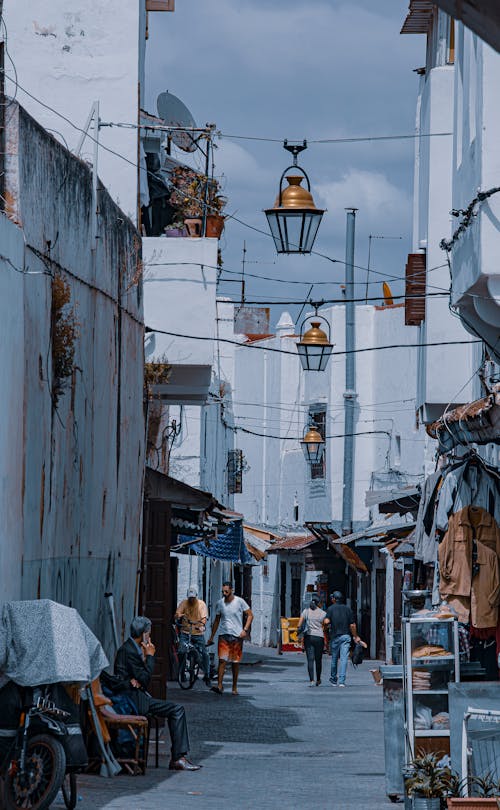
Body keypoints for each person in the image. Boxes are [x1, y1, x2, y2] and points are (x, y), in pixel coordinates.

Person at [114, 616, 201, 771]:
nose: (150, 636)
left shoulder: (131, 648)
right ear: (144, 634)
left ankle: (178, 757)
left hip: (136, 696)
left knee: (175, 709)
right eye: (149, 633)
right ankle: (178, 758)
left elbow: (139, 679)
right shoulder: (130, 651)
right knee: (177, 710)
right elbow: (145, 679)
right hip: (134, 700)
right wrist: (150, 657)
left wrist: (139, 676)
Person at [207, 581, 253, 696]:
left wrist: (245, 630)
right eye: (223, 591)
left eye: (226, 591)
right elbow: (217, 620)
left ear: (231, 590)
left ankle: (234, 686)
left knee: (235, 662)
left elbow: (250, 615)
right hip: (223, 634)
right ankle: (219, 685)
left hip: (237, 636)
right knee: (222, 660)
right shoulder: (220, 603)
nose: (224, 593)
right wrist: (212, 636)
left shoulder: (239, 601)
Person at [174, 586, 211, 687]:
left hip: (198, 633)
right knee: (181, 651)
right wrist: (179, 615)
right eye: (190, 598)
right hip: (185, 632)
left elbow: (204, 618)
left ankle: (207, 675)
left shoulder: (201, 604)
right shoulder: (184, 603)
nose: (191, 599)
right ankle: (181, 672)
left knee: (205, 654)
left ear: (196, 597)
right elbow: (176, 614)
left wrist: (202, 625)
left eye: (193, 598)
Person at [323, 591, 361, 687]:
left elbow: (326, 621)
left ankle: (333, 679)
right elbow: (352, 625)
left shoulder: (330, 609)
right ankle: (342, 681)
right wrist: (355, 636)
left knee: (334, 658)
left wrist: (326, 623)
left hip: (335, 636)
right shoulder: (348, 609)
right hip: (346, 636)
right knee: (344, 659)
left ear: (334, 599)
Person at [298, 593, 326, 686]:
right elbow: (325, 624)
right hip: (319, 637)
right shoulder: (323, 613)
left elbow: (299, 624)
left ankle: (311, 680)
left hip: (309, 637)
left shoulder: (306, 611)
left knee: (310, 659)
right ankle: (318, 679)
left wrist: (299, 634)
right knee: (318, 659)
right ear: (318, 603)